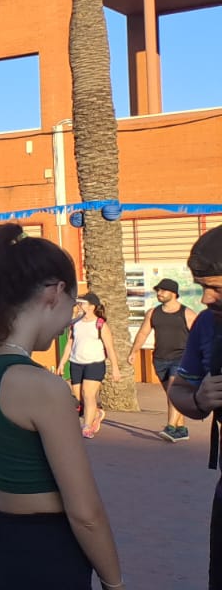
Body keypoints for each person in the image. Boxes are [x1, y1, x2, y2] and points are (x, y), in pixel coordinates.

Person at [0, 224, 124, 589]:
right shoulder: (43, 386)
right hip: (47, 553)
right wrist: (114, 582)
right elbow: (85, 513)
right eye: (72, 308)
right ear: (55, 293)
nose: (66, 325)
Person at [168, 225, 222, 588]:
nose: (205, 299)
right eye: (203, 288)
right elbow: (179, 389)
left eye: (215, 287)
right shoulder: (207, 325)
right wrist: (199, 399)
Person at [131, 277, 196, 442]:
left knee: (175, 392)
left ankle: (170, 427)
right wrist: (134, 351)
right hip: (160, 359)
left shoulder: (187, 314)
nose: (159, 293)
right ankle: (181, 429)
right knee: (172, 395)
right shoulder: (153, 312)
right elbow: (143, 333)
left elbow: (199, 338)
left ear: (173, 293)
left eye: (162, 290)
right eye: (158, 290)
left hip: (182, 358)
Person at [55, 292, 121, 439]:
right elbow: (70, 343)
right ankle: (96, 413)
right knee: (78, 399)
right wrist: (62, 363)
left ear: (91, 306)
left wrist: (115, 368)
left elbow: (109, 347)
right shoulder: (75, 323)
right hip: (76, 363)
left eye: (82, 303)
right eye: (79, 303)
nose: (79, 305)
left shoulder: (100, 324)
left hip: (95, 364)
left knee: (89, 394)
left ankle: (87, 426)